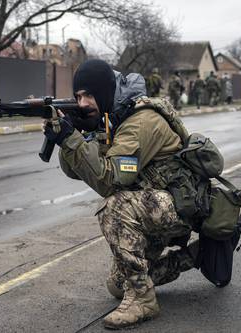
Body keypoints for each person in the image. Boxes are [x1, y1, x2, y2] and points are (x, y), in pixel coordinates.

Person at [44, 59, 198, 329]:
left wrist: (72, 139)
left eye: (89, 95)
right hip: (153, 205)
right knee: (116, 286)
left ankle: (143, 300)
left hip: (178, 205)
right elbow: (77, 171)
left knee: (113, 207)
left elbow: (109, 180)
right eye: (78, 96)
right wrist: (77, 134)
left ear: (104, 92)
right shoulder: (114, 116)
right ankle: (195, 257)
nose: (82, 103)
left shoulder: (139, 122)